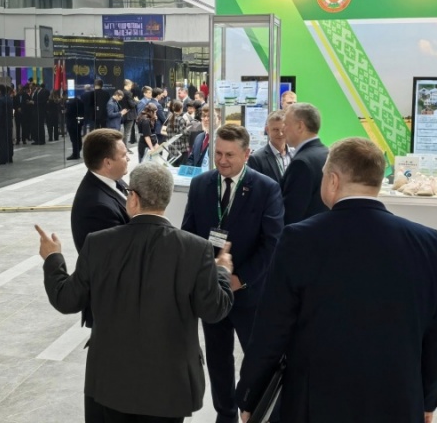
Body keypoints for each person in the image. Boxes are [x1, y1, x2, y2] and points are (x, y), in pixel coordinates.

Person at [236, 138, 437, 423]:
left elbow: (272, 328)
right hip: (397, 398)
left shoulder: (300, 239)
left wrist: (250, 396)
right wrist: (428, 399)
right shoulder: (428, 243)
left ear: (333, 180)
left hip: (315, 402)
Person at [38, 162, 235, 423]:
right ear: (166, 198)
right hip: (170, 387)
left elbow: (66, 300)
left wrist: (53, 259)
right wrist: (222, 271)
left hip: (109, 383)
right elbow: (214, 309)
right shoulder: (196, 249)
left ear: (133, 198)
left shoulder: (98, 243)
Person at [182, 124, 284, 423]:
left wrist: (239, 279)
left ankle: (251, 411)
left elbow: (272, 243)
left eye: (229, 155)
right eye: (217, 153)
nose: (222, 160)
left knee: (255, 358)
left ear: (246, 154)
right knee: (217, 358)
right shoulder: (201, 184)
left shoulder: (266, 188)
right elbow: (189, 234)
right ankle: (224, 414)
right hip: (212, 290)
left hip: (249, 293)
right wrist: (203, 277)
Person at [70, 129, 130, 258]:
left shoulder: (115, 180)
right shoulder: (98, 207)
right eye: (124, 155)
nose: (128, 158)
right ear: (108, 163)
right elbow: (119, 256)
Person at [281, 103, 329, 224]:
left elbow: (291, 214)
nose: (282, 129)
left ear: (300, 126)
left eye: (286, 124)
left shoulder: (301, 163)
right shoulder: (327, 154)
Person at [247, 110, 293, 184]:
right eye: (275, 130)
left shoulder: (296, 154)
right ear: (267, 130)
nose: (280, 134)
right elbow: (255, 187)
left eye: (283, 130)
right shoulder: (256, 159)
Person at [0, 84, 14, 165]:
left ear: (0, 91)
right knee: (9, 141)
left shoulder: (0, 101)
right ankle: (9, 157)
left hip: (1, 125)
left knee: (2, 142)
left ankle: (3, 159)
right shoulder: (9, 99)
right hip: (8, 123)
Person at [164, 99, 189, 165]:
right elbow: (184, 134)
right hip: (181, 149)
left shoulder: (169, 118)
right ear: (180, 109)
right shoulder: (181, 119)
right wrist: (188, 129)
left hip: (172, 148)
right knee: (181, 168)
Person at [65, 95, 83, 160]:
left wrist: (66, 111)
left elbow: (68, 113)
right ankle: (77, 151)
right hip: (78, 122)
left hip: (72, 123)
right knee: (78, 138)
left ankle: (75, 154)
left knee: (74, 139)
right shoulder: (80, 101)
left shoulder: (71, 103)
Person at [121, 79, 138, 148]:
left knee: (125, 132)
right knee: (127, 132)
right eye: (130, 85)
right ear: (127, 85)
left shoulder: (122, 92)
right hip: (130, 115)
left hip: (124, 114)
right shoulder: (128, 93)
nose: (131, 87)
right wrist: (136, 101)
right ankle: (125, 147)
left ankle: (124, 146)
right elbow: (132, 105)